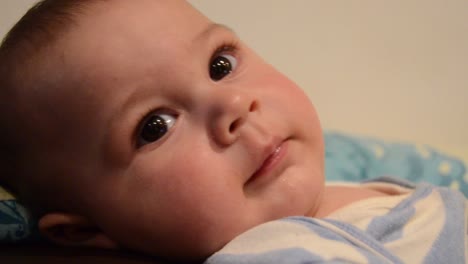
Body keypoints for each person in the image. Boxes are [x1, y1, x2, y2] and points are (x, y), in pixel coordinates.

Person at [0, 0, 465, 263]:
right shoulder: (274, 254)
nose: (234, 106)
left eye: (220, 65)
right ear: (86, 232)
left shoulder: (355, 179)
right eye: (155, 126)